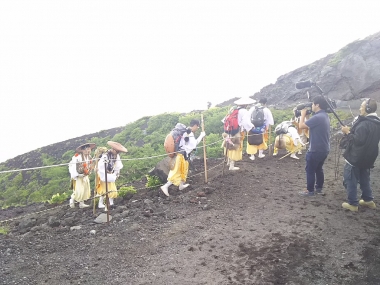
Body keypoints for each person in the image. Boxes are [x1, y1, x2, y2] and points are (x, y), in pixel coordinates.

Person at [341, 98, 380, 211]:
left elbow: (358, 140)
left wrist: (347, 132)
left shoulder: (364, 124)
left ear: (367, 109)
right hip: (368, 157)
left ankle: (352, 204)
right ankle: (368, 200)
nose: (359, 109)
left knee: (350, 178)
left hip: (356, 157)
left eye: (361, 107)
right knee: (364, 178)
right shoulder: (377, 123)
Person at [160, 119, 205, 196]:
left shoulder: (186, 131)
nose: (197, 128)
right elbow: (194, 144)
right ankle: (165, 186)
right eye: (197, 126)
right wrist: (201, 135)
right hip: (181, 155)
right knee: (176, 171)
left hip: (183, 155)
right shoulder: (189, 133)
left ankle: (181, 185)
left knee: (183, 170)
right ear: (195, 125)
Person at [297, 95, 330, 196]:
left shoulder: (318, 117)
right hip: (324, 148)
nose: (311, 105)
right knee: (318, 169)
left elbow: (301, 126)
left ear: (317, 105)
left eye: (312, 104)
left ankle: (309, 190)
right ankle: (318, 188)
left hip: (315, 149)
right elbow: (310, 124)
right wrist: (307, 116)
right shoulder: (324, 115)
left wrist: (302, 115)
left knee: (310, 169)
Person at [222, 97, 256, 170]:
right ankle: (231, 166)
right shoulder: (244, 111)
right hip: (237, 132)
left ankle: (228, 162)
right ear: (246, 104)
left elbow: (224, 120)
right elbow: (246, 122)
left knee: (229, 145)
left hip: (228, 131)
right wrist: (251, 127)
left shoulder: (233, 109)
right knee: (235, 147)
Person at [96, 141, 127, 210]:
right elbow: (101, 167)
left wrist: (116, 173)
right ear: (113, 149)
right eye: (117, 151)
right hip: (103, 174)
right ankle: (102, 204)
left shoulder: (116, 156)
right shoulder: (105, 156)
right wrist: (106, 175)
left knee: (112, 189)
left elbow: (117, 166)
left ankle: (111, 203)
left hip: (111, 175)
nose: (118, 153)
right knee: (104, 190)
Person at [69, 143, 96, 208]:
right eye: (86, 149)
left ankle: (81, 203)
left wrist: (89, 171)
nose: (88, 151)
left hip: (85, 175)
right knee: (79, 190)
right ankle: (72, 199)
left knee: (85, 189)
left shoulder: (89, 157)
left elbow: (90, 165)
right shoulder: (77, 157)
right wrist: (79, 174)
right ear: (83, 150)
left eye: (89, 149)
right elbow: (73, 167)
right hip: (78, 176)